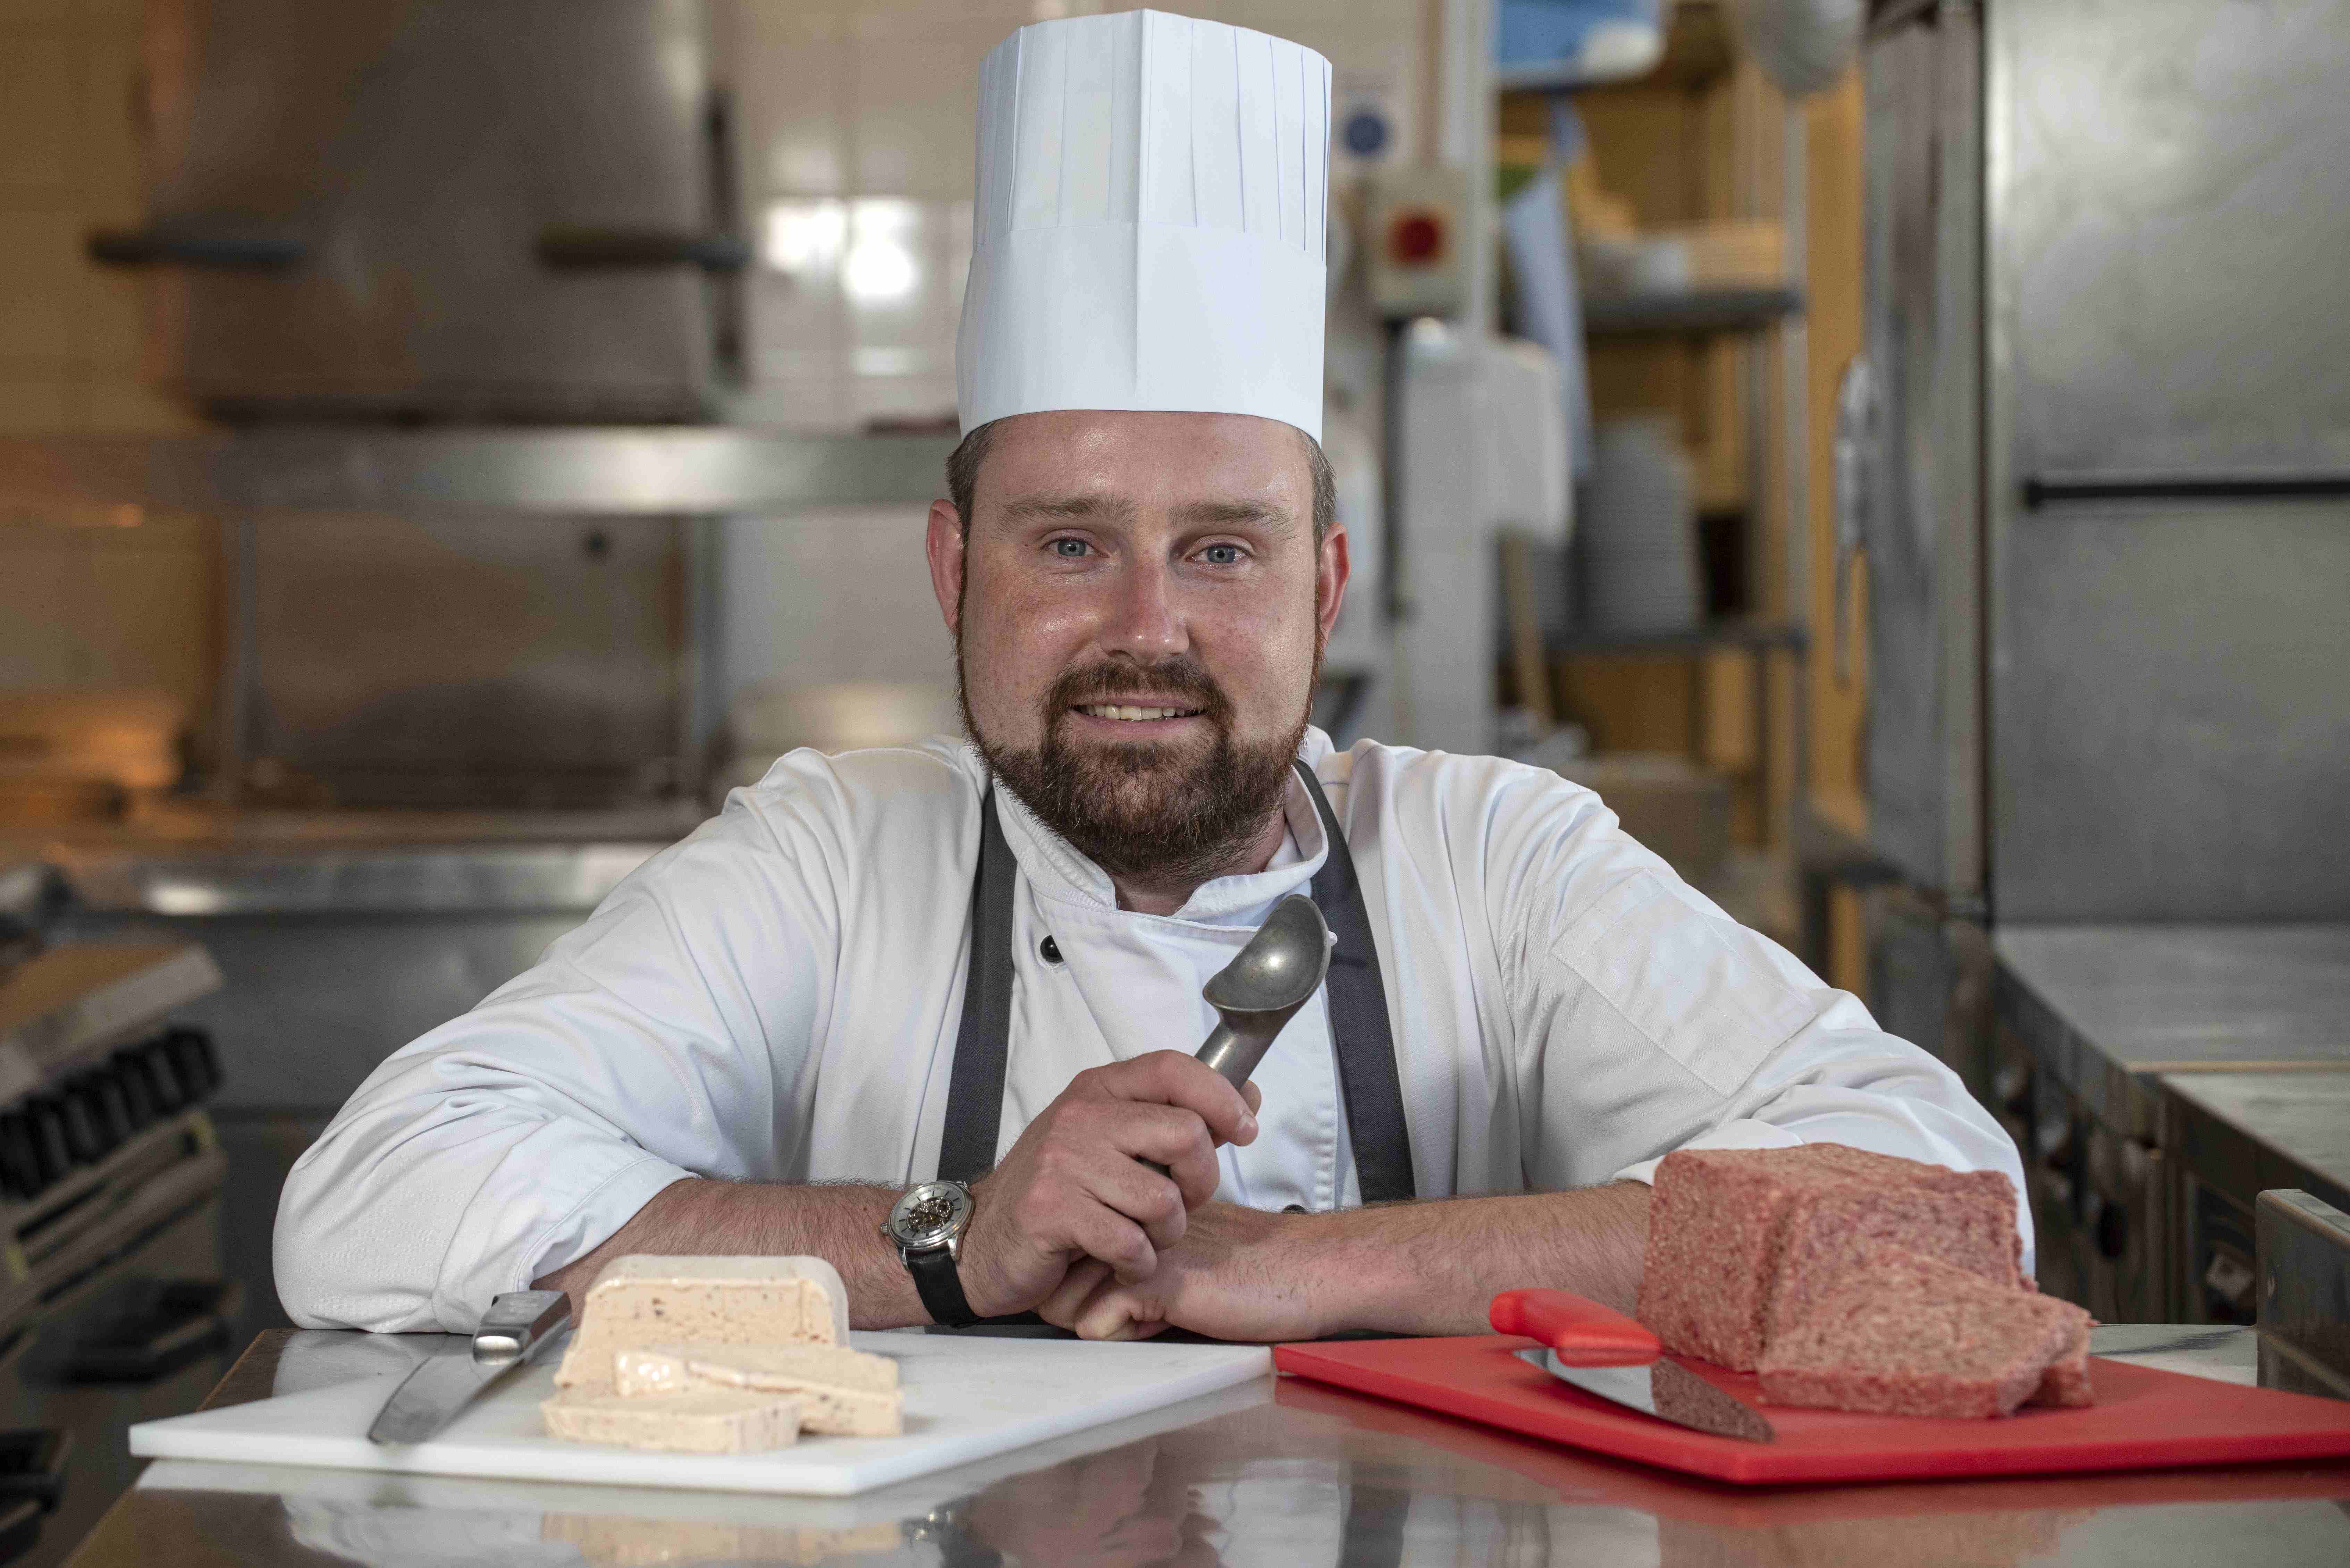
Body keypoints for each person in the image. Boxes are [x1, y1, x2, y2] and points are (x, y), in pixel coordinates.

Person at [275, 9, 2026, 1343]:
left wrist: (1316, 1261)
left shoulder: (1491, 860)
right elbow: (369, 1199)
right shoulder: (830, 859)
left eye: (1221, 547)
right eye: (1063, 543)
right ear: (954, 570)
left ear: (1323, 581)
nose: (1146, 628)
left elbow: (1942, 1204)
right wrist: (944, 1234)